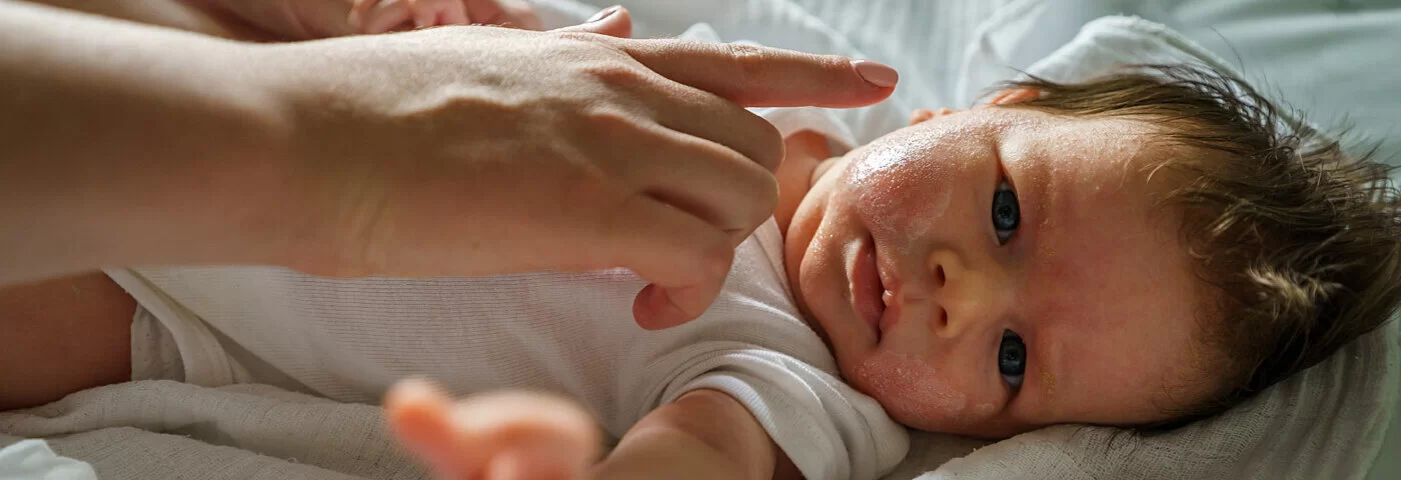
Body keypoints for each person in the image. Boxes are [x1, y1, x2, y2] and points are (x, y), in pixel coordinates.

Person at [0, 0, 901, 410]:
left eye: (1012, 359)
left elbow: (701, 458)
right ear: (968, 112)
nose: (961, 292)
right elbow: (537, 62)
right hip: (278, 69)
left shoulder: (798, 376)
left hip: (181, 311)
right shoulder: (764, 94)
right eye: (1007, 213)